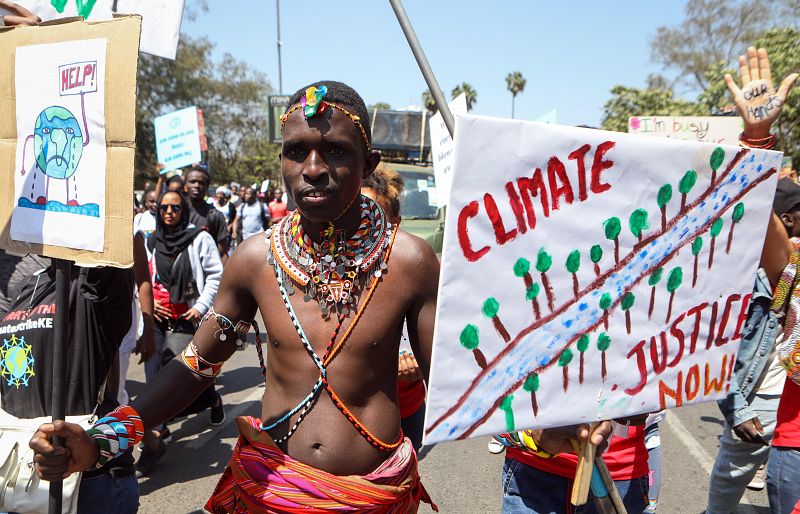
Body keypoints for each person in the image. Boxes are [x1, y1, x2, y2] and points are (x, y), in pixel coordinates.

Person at [30, 81, 613, 513]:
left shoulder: (409, 262)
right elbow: (196, 366)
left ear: (368, 165)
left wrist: (541, 426)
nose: (313, 168)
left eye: (334, 151)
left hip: (374, 495)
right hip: (269, 491)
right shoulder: (255, 260)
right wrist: (106, 435)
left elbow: (454, 380)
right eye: (297, 150)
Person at [1, 258, 137, 513]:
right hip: (21, 469)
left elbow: (111, 236)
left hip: (87, 480)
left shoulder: (98, 278)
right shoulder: (29, 284)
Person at [134, 189, 225, 476]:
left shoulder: (199, 237)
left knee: (186, 376)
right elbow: (143, 278)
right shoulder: (150, 240)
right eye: (163, 208)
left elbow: (216, 274)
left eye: (174, 208)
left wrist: (200, 306)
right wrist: (147, 305)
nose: (169, 213)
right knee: (155, 374)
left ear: (183, 210)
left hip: (187, 318)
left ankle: (211, 398)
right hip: (158, 319)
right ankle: (156, 434)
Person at [362, 163, 427, 452]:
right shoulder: (327, 269)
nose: (364, 225)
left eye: (376, 217)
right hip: (350, 408)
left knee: (401, 481)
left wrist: (419, 362)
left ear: (395, 223)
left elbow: (437, 334)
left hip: (406, 406)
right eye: (357, 214)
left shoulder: (415, 267)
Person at [184, 166, 231, 265]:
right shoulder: (176, 213)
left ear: (207, 187)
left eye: (201, 183)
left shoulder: (216, 216)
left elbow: (222, 253)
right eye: (192, 181)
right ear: (185, 186)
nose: (196, 185)